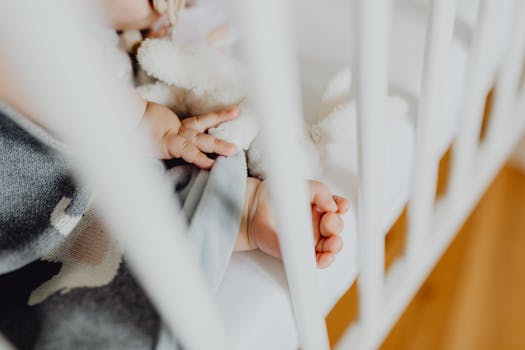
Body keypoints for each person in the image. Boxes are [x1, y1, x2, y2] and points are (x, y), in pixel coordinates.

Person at [0, 0, 349, 348]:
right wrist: (137, 118)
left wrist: (244, 200)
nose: (172, 8)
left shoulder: (117, 48)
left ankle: (234, 209)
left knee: (126, 190)